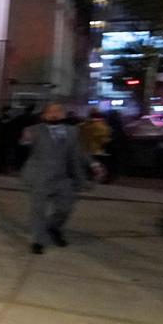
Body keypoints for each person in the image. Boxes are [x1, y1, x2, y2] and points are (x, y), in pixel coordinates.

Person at [21, 101, 95, 255]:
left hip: (62, 178)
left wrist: (93, 164)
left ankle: (54, 227)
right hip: (39, 177)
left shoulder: (72, 131)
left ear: (63, 114)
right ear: (44, 115)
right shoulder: (34, 130)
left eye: (58, 111)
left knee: (66, 207)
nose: (54, 114)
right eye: (51, 111)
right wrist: (25, 138)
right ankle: (38, 241)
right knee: (38, 211)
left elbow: (79, 153)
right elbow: (25, 143)